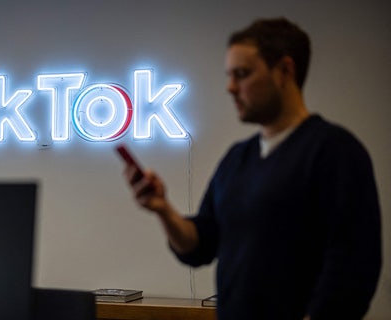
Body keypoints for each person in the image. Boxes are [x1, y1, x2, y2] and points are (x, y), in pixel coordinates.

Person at [123, 17, 381, 320]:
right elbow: (200, 245)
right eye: (229, 76)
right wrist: (162, 209)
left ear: (285, 71)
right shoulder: (237, 159)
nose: (231, 88)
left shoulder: (333, 151)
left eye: (242, 74)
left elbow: (354, 269)